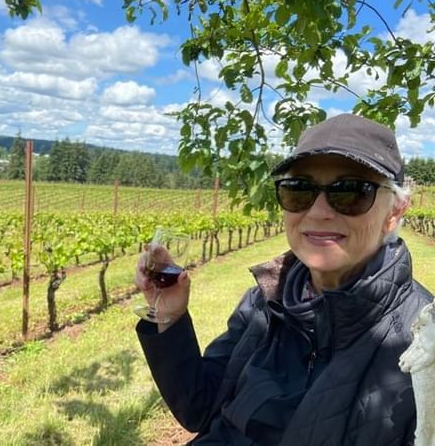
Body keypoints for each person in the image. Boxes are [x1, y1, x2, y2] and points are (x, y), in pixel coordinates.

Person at [135, 113, 433, 445]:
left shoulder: (423, 344)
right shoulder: (264, 301)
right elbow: (200, 408)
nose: (318, 211)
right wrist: (170, 316)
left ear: (395, 212)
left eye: (350, 191)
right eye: (299, 190)